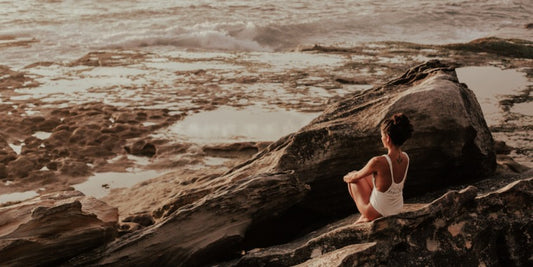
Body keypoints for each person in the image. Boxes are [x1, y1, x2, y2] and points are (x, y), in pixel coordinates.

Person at [343, 113, 413, 223]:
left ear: (388, 138)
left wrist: (346, 177)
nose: (381, 138)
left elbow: (354, 177)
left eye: (382, 135)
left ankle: (367, 216)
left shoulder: (378, 161)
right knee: (369, 178)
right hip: (396, 208)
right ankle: (369, 213)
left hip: (378, 212)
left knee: (353, 179)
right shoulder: (406, 157)